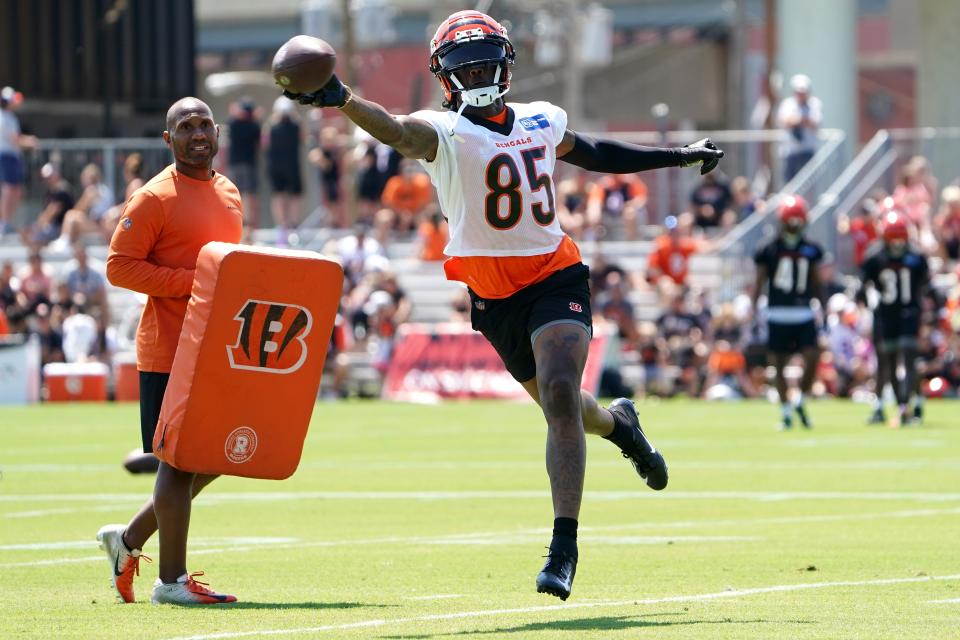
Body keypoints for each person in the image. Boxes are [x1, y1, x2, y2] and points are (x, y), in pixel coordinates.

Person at [281, 9, 723, 601]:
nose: (479, 72)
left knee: (562, 394)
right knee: (574, 410)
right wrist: (343, 98)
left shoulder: (542, 118)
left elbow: (592, 151)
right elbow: (392, 128)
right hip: (494, 298)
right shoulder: (444, 132)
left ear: (506, 64)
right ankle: (623, 427)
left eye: (486, 60)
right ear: (445, 77)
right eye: (467, 65)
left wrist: (677, 156)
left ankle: (563, 547)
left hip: (555, 275)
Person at [96, 97, 243, 605]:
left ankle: (128, 540)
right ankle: (171, 583)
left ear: (217, 132)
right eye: (187, 126)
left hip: (218, 350)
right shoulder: (154, 197)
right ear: (168, 139)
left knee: (224, 453)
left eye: (205, 124)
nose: (198, 133)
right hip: (168, 352)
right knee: (178, 465)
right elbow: (119, 267)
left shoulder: (228, 191)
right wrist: (194, 283)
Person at [752, 195, 824, 430]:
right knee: (779, 364)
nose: (793, 225)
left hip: (803, 311)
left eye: (797, 221)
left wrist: (822, 305)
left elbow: (816, 281)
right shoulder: (769, 248)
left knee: (813, 356)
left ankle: (800, 399)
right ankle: (785, 411)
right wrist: (754, 310)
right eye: (790, 221)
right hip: (777, 311)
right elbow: (759, 281)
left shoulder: (811, 249)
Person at [858, 207, 932, 427]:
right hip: (889, 315)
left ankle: (903, 405)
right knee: (890, 361)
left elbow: (926, 287)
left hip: (905, 314)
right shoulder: (881, 256)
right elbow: (864, 286)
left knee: (906, 359)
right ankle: (906, 403)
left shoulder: (912, 256)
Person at [0, 86, 36, 236]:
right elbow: (16, 140)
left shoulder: (9, 117)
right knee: (9, 190)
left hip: (11, 156)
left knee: (16, 190)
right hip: (7, 156)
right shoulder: (4, 118)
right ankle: (4, 223)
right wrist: (31, 141)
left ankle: (6, 222)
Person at [266, 97, 303, 239]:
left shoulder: (272, 127)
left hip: (275, 165)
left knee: (278, 195)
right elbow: (303, 137)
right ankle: (293, 224)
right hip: (292, 165)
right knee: (294, 195)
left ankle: (282, 225)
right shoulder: (295, 126)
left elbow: (266, 143)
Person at [777, 74, 822, 184]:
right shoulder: (787, 104)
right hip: (790, 151)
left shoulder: (814, 104)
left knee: (807, 183)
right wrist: (801, 120)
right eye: (798, 92)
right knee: (789, 183)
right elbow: (784, 122)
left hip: (807, 151)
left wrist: (796, 120)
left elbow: (814, 122)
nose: (801, 95)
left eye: (803, 92)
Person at [228, 97, 262, 228]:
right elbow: (259, 142)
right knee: (248, 193)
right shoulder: (254, 125)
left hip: (235, 163)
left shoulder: (233, 123)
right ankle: (247, 221)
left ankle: (238, 220)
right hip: (249, 163)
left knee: (236, 192)